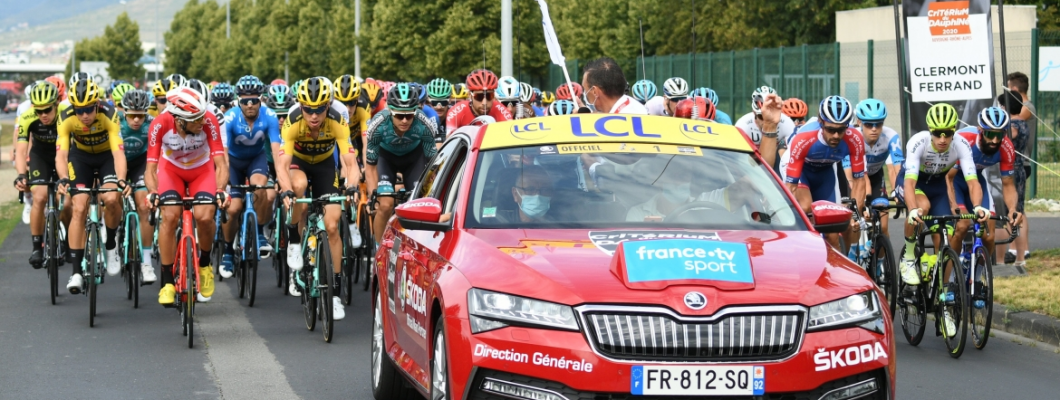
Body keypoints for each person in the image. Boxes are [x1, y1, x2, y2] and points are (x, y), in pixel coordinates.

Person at [276, 77, 359, 318]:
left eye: (320, 109)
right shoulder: (292, 120)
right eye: (308, 110)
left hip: (324, 166)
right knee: (298, 186)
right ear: (301, 106)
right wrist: (286, 190)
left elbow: (351, 162)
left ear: (328, 106)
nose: (314, 115)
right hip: (299, 163)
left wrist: (352, 186)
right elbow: (282, 165)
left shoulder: (337, 120)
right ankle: (294, 240)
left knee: (332, 226)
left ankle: (335, 294)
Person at [145, 87, 228, 305]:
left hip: (202, 171)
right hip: (171, 171)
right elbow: (151, 168)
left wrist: (220, 189)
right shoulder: (160, 124)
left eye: (202, 116)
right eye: (196, 118)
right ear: (180, 120)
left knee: (205, 216)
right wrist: (153, 192)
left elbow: (221, 164)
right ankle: (167, 282)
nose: (202, 121)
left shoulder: (209, 121)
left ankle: (205, 265)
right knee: (169, 216)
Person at [897, 103, 986, 285]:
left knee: (945, 239)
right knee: (922, 207)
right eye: (938, 133)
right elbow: (910, 182)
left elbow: (972, 182)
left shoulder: (961, 145)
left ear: (954, 131)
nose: (943, 139)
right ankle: (909, 256)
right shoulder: (918, 142)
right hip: (914, 182)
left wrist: (977, 206)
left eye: (948, 133)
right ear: (930, 130)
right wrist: (912, 210)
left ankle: (942, 291)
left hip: (937, 187)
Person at [55, 80, 131, 294]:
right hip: (81, 158)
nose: (84, 115)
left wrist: (121, 180)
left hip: (107, 157)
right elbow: (61, 154)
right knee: (79, 207)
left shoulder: (109, 114)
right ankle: (76, 272)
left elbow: (118, 153)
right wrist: (63, 178)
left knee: (111, 198)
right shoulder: (66, 117)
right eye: (79, 110)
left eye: (89, 109)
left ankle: (111, 245)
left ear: (97, 105)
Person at [784, 95, 867, 252]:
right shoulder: (804, 138)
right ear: (821, 123)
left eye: (841, 130)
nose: (836, 135)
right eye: (831, 129)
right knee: (805, 206)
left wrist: (855, 214)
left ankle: (841, 262)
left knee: (833, 233)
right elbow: (791, 186)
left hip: (826, 171)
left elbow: (859, 181)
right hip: (801, 170)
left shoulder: (855, 139)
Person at [219, 75, 281, 278]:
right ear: (238, 101)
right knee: (233, 208)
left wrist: (281, 178)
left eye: (254, 100)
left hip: (256, 159)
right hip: (233, 163)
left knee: (261, 188)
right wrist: (224, 181)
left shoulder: (270, 116)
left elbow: (276, 152)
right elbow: (223, 155)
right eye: (245, 101)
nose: (250, 105)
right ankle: (228, 251)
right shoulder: (229, 118)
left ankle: (260, 233)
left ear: (260, 99)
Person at [365, 83, 439, 243]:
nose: (405, 120)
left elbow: (433, 164)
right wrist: (373, 196)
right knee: (385, 205)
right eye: (399, 116)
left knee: (418, 206)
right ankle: (378, 248)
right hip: (387, 159)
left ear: (416, 111)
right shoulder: (378, 125)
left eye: (409, 115)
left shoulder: (424, 124)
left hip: (413, 159)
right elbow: (370, 167)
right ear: (389, 111)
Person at [947, 107, 1024, 258]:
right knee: (962, 226)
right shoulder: (964, 140)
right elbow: (948, 178)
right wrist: (953, 205)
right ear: (980, 130)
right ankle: (951, 268)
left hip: (977, 180)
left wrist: (1012, 210)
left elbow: (1008, 184)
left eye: (999, 135)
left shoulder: (1006, 147)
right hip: (955, 180)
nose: (995, 140)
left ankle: (980, 271)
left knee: (988, 236)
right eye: (990, 134)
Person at [15, 81, 63, 269]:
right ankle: (37, 247)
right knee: (40, 196)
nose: (43, 115)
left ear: (56, 103)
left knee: (65, 200)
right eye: (39, 110)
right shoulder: (27, 117)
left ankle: (68, 241)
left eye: (47, 110)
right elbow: (21, 150)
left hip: (63, 156)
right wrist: (21, 174)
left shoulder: (66, 115)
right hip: (40, 157)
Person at [116, 89, 158, 283]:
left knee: (144, 205)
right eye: (132, 115)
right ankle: (114, 230)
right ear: (124, 111)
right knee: (112, 199)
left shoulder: (152, 124)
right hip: (118, 162)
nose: (136, 120)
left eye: (140, 116)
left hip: (141, 164)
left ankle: (147, 263)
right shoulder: (116, 122)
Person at [845, 99, 903, 235]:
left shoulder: (891, 136)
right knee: (855, 222)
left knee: (883, 225)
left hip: (876, 175)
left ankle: (882, 248)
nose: (874, 128)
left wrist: (899, 191)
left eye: (879, 124)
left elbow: (897, 169)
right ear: (860, 122)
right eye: (869, 124)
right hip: (853, 177)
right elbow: (857, 176)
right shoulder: (853, 137)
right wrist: (864, 200)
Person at [1001, 72, 1034, 266]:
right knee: (1017, 209)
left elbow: (1006, 136)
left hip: (1015, 168)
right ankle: (1018, 250)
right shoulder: (1020, 121)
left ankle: (1017, 251)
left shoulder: (1016, 121)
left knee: (1014, 211)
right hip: (1017, 168)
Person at [735, 86, 794, 169]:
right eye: (761, 116)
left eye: (769, 116)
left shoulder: (787, 123)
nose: (765, 121)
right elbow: (738, 160)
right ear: (754, 112)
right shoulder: (743, 125)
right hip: (750, 163)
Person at [445, 69, 513, 135]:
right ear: (470, 95)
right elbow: (449, 139)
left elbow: (511, 137)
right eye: (479, 97)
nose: (484, 103)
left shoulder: (502, 110)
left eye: (489, 96)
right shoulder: (456, 111)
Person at [580, 57, 648, 115]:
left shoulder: (622, 118)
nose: (585, 94)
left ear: (595, 92)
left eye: (585, 89)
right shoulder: (631, 107)